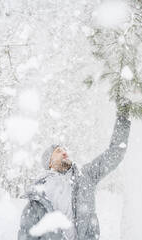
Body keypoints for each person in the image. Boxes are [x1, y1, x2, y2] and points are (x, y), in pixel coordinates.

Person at [18, 98, 131, 240]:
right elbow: (26, 234)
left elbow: (115, 153)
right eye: (58, 151)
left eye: (65, 150)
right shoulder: (39, 194)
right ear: (50, 162)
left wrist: (123, 117)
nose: (65, 152)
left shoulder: (85, 176)